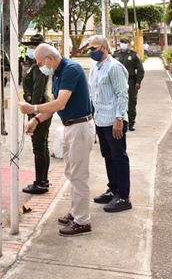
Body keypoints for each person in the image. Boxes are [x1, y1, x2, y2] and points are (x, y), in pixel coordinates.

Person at [19, 43, 95, 237]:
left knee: (79, 175)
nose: (39, 66)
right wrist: (36, 120)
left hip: (79, 127)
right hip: (70, 127)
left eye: (39, 63)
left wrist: (33, 108)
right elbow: (55, 107)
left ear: (49, 59)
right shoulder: (57, 74)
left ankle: (82, 221)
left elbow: (60, 102)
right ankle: (76, 212)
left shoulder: (71, 69)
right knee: (71, 172)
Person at [88, 35, 132, 213]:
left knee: (119, 156)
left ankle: (123, 196)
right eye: (90, 48)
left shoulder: (114, 67)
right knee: (107, 155)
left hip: (114, 120)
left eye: (94, 48)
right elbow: (94, 93)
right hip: (100, 119)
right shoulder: (95, 67)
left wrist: (119, 119)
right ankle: (113, 189)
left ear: (104, 48)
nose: (91, 52)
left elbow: (123, 94)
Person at [20, 34, 52, 195]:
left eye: (34, 47)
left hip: (38, 108)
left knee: (39, 147)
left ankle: (40, 183)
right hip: (36, 107)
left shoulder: (40, 66)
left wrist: (34, 114)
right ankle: (42, 180)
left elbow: (38, 90)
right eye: (30, 47)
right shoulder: (34, 64)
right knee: (41, 146)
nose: (31, 50)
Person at [112, 37, 144, 131]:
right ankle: (118, 122)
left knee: (131, 103)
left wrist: (138, 81)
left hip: (130, 81)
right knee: (117, 101)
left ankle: (131, 123)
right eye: (122, 42)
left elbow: (140, 69)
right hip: (117, 81)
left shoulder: (133, 55)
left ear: (128, 44)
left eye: (125, 42)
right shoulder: (115, 54)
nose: (123, 44)